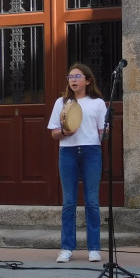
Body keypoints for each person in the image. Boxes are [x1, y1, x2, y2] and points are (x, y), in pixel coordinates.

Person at [47, 63, 107, 264]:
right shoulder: (61, 102)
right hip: (68, 152)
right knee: (69, 201)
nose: (73, 80)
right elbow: (54, 133)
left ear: (87, 80)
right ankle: (66, 247)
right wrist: (65, 132)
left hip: (91, 151)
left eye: (78, 76)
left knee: (91, 200)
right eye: (70, 76)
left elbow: (102, 133)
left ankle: (94, 248)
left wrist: (106, 131)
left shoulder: (98, 103)